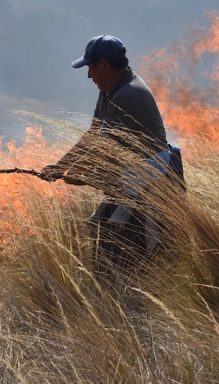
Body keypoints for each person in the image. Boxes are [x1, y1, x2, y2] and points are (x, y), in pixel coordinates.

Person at [40, 35, 172, 273]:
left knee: (123, 246)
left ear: (104, 64)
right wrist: (60, 166)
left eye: (91, 67)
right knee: (100, 228)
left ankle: (125, 299)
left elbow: (104, 149)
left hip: (149, 185)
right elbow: (94, 135)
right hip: (130, 181)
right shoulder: (111, 90)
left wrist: (80, 176)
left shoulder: (127, 95)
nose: (89, 76)